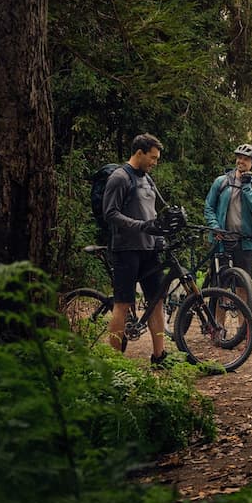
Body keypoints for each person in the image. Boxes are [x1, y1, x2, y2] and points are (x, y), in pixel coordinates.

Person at [103, 133, 183, 366]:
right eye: (153, 158)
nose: (155, 163)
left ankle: (159, 356)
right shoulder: (120, 177)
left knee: (157, 302)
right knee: (123, 303)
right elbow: (110, 213)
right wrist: (140, 226)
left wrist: (162, 231)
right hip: (126, 250)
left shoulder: (148, 180)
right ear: (139, 153)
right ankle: (116, 363)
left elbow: (153, 214)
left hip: (150, 250)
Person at [204, 143, 252, 279]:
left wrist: (247, 187)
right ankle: (221, 301)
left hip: (244, 241)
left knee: (242, 283)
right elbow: (209, 207)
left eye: (246, 159)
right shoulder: (221, 182)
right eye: (239, 157)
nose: (241, 161)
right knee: (220, 282)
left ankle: (242, 302)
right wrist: (214, 226)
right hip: (221, 239)